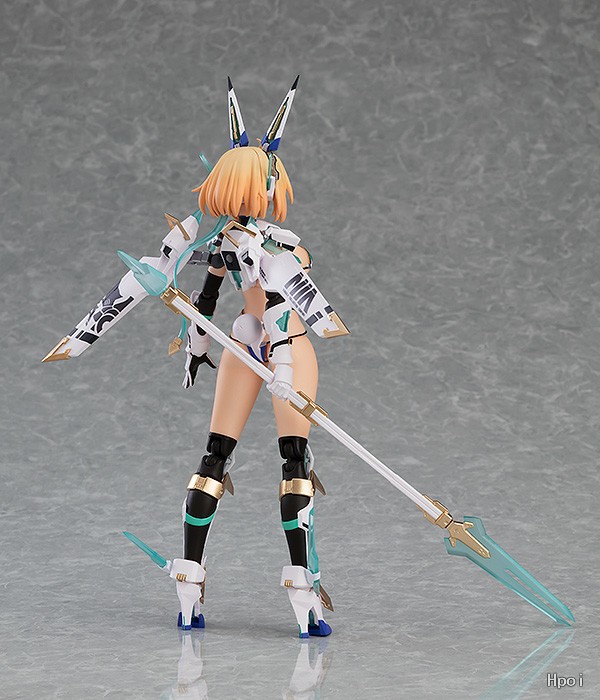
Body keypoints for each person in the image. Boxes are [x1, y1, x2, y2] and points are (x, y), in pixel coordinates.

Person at [171, 77, 348, 638]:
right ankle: (301, 588)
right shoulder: (267, 242)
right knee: (292, 461)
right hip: (279, 345)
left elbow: (208, 301)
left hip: (244, 347)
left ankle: (189, 582)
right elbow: (262, 297)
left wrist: (198, 346)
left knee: (214, 458)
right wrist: (283, 366)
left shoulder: (230, 243)